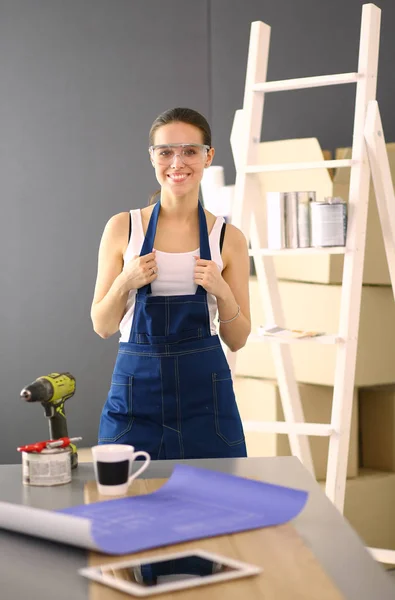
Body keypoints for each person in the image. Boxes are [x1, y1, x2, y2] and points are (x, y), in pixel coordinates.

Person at [91, 107, 251, 460]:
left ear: (208, 156)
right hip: (135, 405)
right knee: (126, 507)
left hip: (206, 406)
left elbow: (237, 339)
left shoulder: (228, 238)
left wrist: (222, 291)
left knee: (215, 504)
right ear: (152, 158)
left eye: (190, 151)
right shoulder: (123, 228)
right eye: (165, 152)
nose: (177, 163)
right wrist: (125, 282)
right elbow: (102, 326)